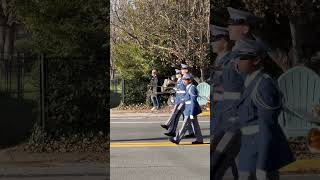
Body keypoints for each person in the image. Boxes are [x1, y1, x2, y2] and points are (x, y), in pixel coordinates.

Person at [234, 36, 295, 180]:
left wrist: (262, 165)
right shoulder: (249, 81)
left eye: (242, 57)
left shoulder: (263, 85)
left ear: (256, 60)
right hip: (248, 149)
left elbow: (267, 128)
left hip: (260, 151)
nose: (237, 62)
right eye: (236, 57)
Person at [209, 24, 240, 180]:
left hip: (229, 119)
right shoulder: (218, 61)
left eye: (215, 39)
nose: (211, 43)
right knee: (228, 161)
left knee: (217, 160)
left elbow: (233, 94)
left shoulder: (232, 61)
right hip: (218, 118)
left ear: (225, 41)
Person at [161, 65, 195, 137]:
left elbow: (186, 90)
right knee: (186, 118)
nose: (180, 71)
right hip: (180, 100)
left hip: (183, 101)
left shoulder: (187, 77)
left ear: (186, 70)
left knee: (177, 115)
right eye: (180, 70)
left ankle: (171, 129)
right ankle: (191, 132)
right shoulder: (183, 78)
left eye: (182, 69)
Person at [169, 73, 203, 144]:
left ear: (190, 80)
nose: (184, 81)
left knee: (184, 125)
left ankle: (177, 139)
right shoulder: (188, 87)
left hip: (190, 110)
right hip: (189, 109)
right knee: (195, 125)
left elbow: (193, 102)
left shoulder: (192, 88)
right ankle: (199, 139)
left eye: (185, 79)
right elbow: (186, 99)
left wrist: (191, 113)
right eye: (183, 79)